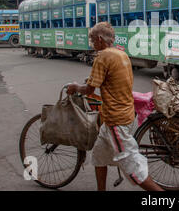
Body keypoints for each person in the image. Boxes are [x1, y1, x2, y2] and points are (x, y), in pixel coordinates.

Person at [66, 22, 164, 191]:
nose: (92, 44)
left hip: (115, 119)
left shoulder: (102, 57)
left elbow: (89, 90)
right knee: (99, 156)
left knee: (134, 170)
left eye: (92, 40)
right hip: (123, 113)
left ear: (99, 39)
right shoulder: (121, 54)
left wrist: (75, 87)